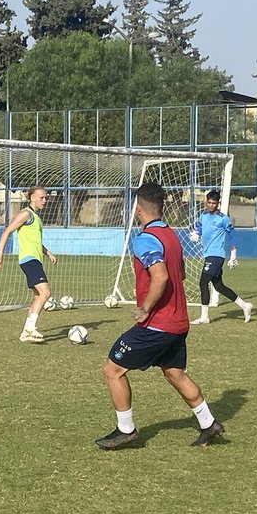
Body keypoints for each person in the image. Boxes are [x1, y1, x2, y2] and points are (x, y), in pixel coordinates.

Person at [96, 182, 224, 449]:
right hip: (179, 321)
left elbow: (162, 275)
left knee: (113, 369)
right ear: (163, 207)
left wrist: (145, 309)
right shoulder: (172, 237)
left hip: (158, 324)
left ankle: (126, 429)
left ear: (138, 209)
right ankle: (208, 423)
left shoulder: (145, 239)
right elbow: (182, 274)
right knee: (175, 373)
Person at [0, 185, 57, 342]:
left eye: (46, 197)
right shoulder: (26, 214)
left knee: (37, 296)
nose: (45, 200)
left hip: (35, 260)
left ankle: (26, 332)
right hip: (29, 260)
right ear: (32, 198)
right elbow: (7, 231)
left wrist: (47, 253)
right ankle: (29, 329)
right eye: (41, 197)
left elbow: (35, 242)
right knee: (46, 293)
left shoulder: (36, 217)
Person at [189, 189, 252, 324]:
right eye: (209, 202)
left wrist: (233, 255)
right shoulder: (203, 216)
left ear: (218, 203)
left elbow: (232, 236)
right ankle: (245, 306)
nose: (211, 205)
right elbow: (199, 229)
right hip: (208, 255)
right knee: (219, 286)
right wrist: (196, 235)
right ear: (207, 202)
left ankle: (205, 317)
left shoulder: (223, 219)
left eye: (214, 203)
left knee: (203, 282)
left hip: (216, 255)